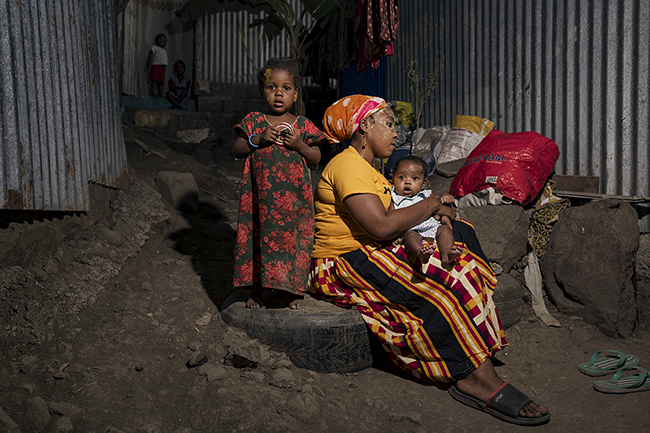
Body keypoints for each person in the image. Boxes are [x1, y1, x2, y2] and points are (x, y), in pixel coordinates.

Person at [309, 95, 550, 426]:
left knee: (462, 268)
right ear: (365, 126)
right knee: (441, 289)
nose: (396, 133)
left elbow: (400, 215)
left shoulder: (370, 169)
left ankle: (477, 361)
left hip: (371, 251)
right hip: (343, 262)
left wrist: (440, 214)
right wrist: (433, 202)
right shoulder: (348, 165)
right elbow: (381, 226)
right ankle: (472, 378)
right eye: (389, 123)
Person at [232, 57, 327, 310]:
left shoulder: (303, 125)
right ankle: (259, 291)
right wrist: (257, 138)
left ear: (295, 94)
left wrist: (299, 145)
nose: (278, 93)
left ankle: (291, 291)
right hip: (260, 202)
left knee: (295, 242)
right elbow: (238, 148)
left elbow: (316, 157)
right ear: (262, 91)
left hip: (294, 203)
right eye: (271, 87)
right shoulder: (254, 121)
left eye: (286, 88)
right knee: (259, 240)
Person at [390, 155, 463, 264]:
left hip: (431, 225)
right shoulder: (394, 197)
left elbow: (439, 199)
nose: (407, 182)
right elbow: (390, 219)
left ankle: (447, 252)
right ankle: (420, 253)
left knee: (444, 230)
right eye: (401, 177)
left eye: (414, 178)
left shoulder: (425, 194)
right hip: (409, 229)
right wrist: (394, 236)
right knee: (410, 237)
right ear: (393, 180)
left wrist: (445, 195)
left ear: (423, 183)